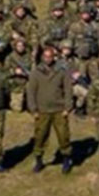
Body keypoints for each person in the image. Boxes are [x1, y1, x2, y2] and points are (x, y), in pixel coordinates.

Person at [27, 46, 74, 174]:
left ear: (54, 57)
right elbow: (31, 92)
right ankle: (38, 160)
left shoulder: (61, 71)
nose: (48, 59)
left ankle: (66, 159)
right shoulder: (36, 72)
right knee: (40, 136)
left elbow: (68, 89)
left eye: (50, 56)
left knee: (63, 136)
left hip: (59, 109)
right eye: (45, 56)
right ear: (42, 57)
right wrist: (33, 109)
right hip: (42, 110)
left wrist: (67, 107)